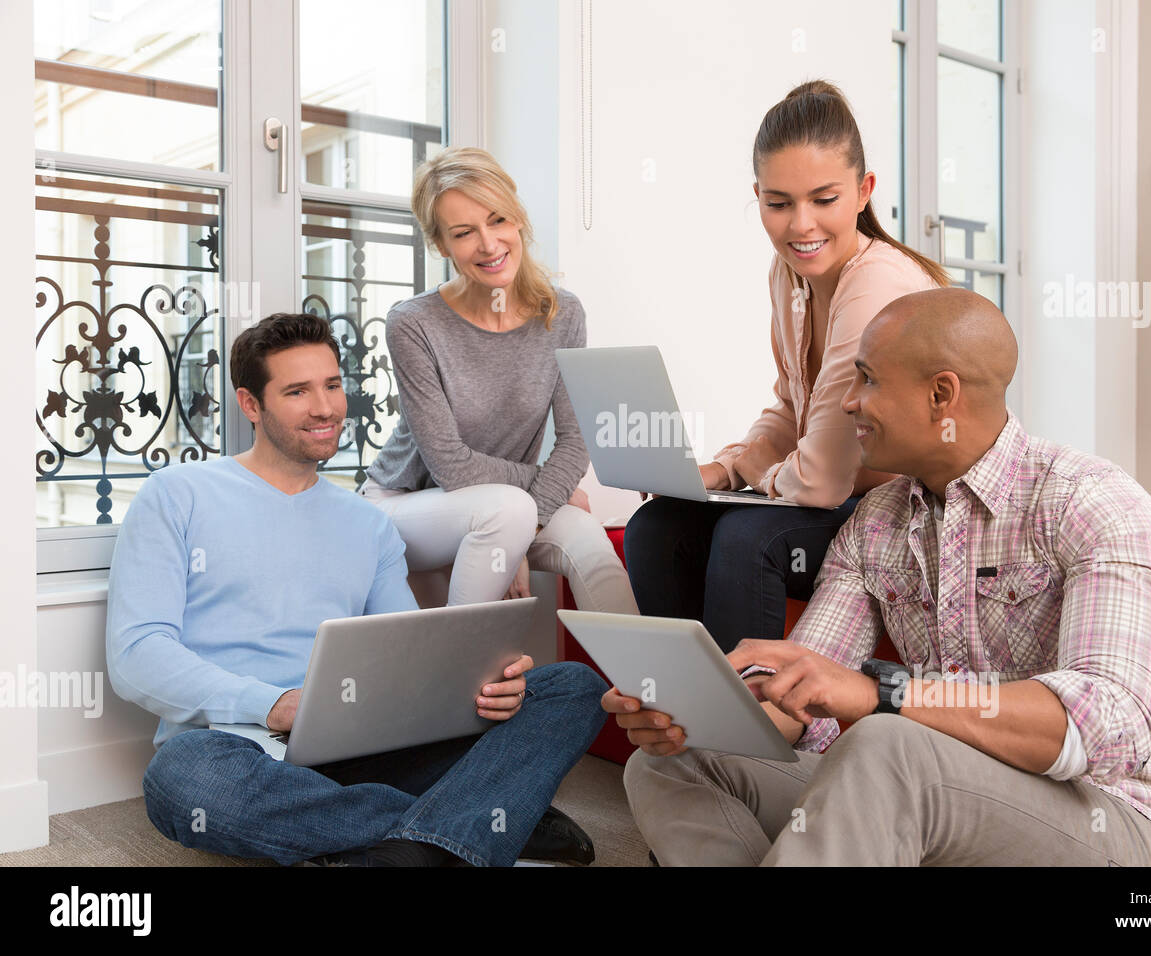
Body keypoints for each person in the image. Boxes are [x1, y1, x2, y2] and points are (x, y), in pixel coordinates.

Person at [609, 287, 1151, 867]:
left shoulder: (1092, 501)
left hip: (1105, 819)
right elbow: (802, 698)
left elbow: (1108, 726)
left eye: (867, 379)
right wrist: (695, 717)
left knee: (886, 740)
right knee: (673, 765)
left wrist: (885, 694)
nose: (848, 402)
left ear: (941, 394)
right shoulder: (877, 521)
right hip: (927, 795)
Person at [107, 312, 608, 867]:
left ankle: (407, 845)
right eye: (297, 391)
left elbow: (408, 654)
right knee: (183, 780)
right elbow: (136, 655)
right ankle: (464, 829)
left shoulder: (367, 523)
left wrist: (484, 688)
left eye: (332, 385)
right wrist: (273, 705)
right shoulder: (176, 495)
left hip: (364, 745)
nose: (325, 407)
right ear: (251, 404)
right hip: (240, 747)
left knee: (572, 688)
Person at [623, 80, 945, 652]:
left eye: (824, 200)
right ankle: (679, 698)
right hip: (844, 500)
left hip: (910, 515)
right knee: (657, 528)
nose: (801, 225)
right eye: (778, 204)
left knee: (749, 536)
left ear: (864, 191)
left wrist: (757, 474)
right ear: (758, 197)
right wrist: (724, 470)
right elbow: (793, 406)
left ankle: (742, 710)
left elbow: (821, 478)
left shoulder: (876, 284)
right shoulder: (790, 274)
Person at [360, 147, 638, 614]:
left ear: (519, 219)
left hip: (511, 508)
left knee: (591, 546)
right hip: (406, 504)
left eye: (498, 220)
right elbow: (451, 467)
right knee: (508, 512)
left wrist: (526, 528)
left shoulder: (562, 313)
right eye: (464, 233)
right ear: (441, 245)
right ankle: (463, 660)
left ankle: (640, 662)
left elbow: (575, 442)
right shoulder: (413, 323)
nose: (489, 245)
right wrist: (539, 496)